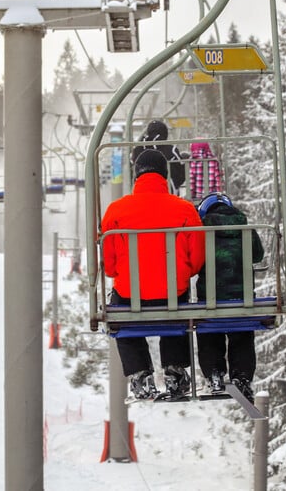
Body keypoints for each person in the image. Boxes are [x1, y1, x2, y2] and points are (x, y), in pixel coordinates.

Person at [102, 149, 205, 400]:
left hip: (129, 295)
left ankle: (139, 373)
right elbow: (197, 258)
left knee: (118, 316)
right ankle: (175, 371)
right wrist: (183, 274)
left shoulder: (116, 211)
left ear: (136, 175)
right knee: (178, 306)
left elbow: (109, 265)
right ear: (164, 175)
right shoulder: (184, 209)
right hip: (173, 293)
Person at [195, 192, 265, 403]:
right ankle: (242, 377)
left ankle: (214, 375)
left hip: (209, 299)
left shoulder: (200, 231)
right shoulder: (244, 227)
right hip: (242, 298)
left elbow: (195, 260)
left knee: (208, 333)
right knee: (242, 335)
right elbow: (258, 255)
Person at [131, 119, 186, 195]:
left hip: (140, 193)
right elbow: (181, 172)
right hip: (168, 191)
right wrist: (175, 184)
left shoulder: (137, 149)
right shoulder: (171, 149)